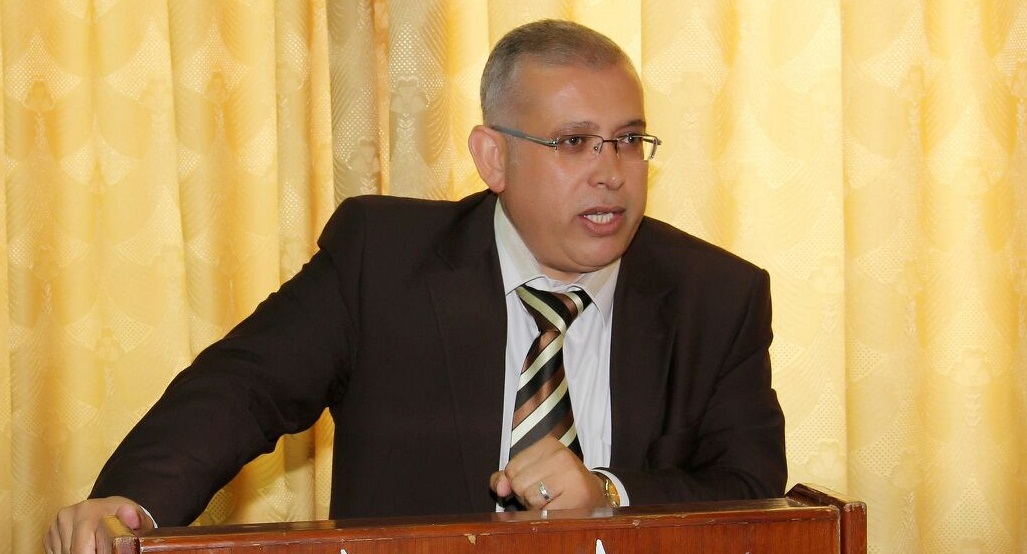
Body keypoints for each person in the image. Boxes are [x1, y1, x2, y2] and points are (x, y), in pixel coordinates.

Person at [44, 19, 786, 554]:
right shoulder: (383, 260)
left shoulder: (716, 296)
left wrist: (610, 495)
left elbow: (752, 487)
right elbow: (244, 387)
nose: (611, 172)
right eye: (573, 142)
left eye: (627, 140)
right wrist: (133, 501)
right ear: (492, 158)